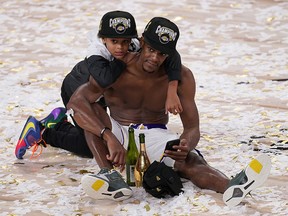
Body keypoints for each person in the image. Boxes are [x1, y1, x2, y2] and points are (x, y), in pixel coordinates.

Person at [67, 17, 272, 206]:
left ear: (170, 54)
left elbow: (192, 127)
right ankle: (109, 176)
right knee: (91, 110)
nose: (155, 58)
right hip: (120, 130)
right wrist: (108, 136)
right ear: (141, 43)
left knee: (191, 161)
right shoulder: (116, 67)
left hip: (156, 135)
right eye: (151, 50)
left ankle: (232, 186)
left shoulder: (182, 76)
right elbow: (76, 103)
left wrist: (186, 145)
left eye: (162, 54)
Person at [15, 11, 183, 159]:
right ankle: (42, 132)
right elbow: (104, 79)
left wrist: (172, 89)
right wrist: (126, 60)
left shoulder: (134, 45)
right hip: (77, 87)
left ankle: (59, 123)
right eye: (114, 41)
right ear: (103, 39)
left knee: (101, 138)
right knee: (93, 148)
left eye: (125, 42)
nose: (120, 47)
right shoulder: (97, 52)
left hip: (98, 90)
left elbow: (172, 54)